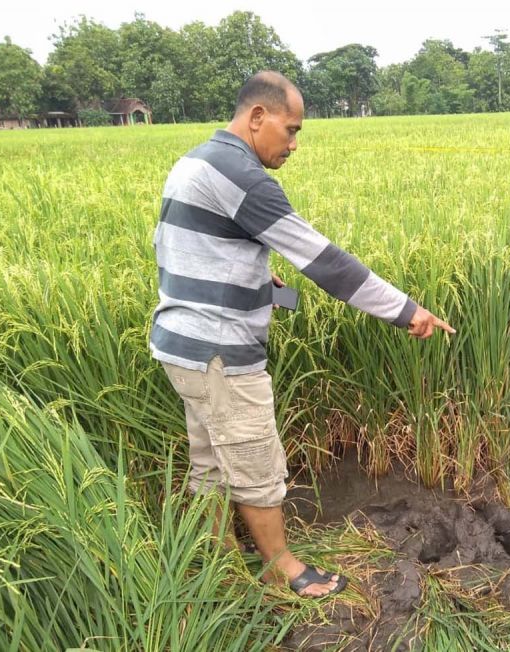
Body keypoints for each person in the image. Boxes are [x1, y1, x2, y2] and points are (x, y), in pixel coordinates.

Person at [150, 71, 454, 598]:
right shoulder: (246, 178)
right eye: (290, 130)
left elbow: (176, 239)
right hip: (221, 353)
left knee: (210, 464)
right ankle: (280, 568)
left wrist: (247, 270)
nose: (293, 144)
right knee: (253, 461)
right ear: (258, 117)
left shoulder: (195, 160)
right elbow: (325, 262)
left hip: (183, 346)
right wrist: (405, 311)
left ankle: (220, 568)